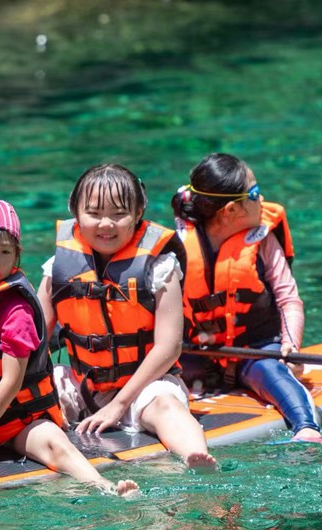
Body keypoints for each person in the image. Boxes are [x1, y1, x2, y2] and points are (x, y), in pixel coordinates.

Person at [0, 198, 138, 496]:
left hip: (17, 423)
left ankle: (105, 487)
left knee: (54, 442)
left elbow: (12, 382)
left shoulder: (17, 311)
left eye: (5, 252)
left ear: (17, 253)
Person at [37, 164, 216, 469]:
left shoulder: (161, 268)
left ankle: (195, 455)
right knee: (36, 394)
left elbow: (168, 347)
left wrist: (120, 404)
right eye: (93, 213)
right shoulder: (58, 267)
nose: (106, 224)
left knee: (166, 405)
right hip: (83, 385)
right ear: (75, 213)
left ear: (138, 212)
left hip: (146, 386)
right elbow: (34, 338)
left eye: (118, 213)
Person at [172, 152, 322, 443]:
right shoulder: (177, 247)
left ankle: (307, 429)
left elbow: (288, 300)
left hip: (255, 350)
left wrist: (290, 346)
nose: (263, 197)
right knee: (163, 381)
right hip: (197, 351)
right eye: (255, 192)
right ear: (231, 210)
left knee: (274, 373)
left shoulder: (264, 241)